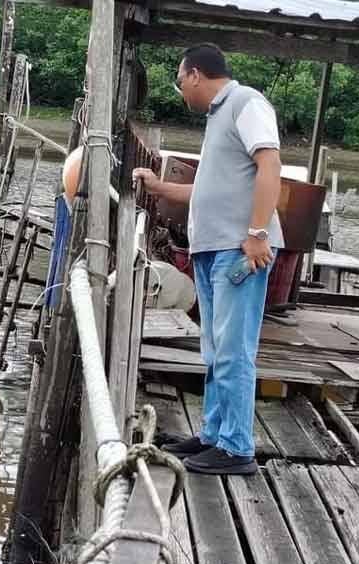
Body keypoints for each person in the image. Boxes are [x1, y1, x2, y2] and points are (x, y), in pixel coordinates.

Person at [133, 44, 282, 475]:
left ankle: (237, 449)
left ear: (195, 74)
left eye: (181, 84)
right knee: (215, 349)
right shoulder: (220, 117)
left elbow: (270, 166)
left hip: (238, 252)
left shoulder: (246, 103)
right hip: (212, 250)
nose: (182, 93)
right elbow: (207, 192)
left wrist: (256, 234)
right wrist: (160, 189)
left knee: (234, 350)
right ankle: (215, 435)